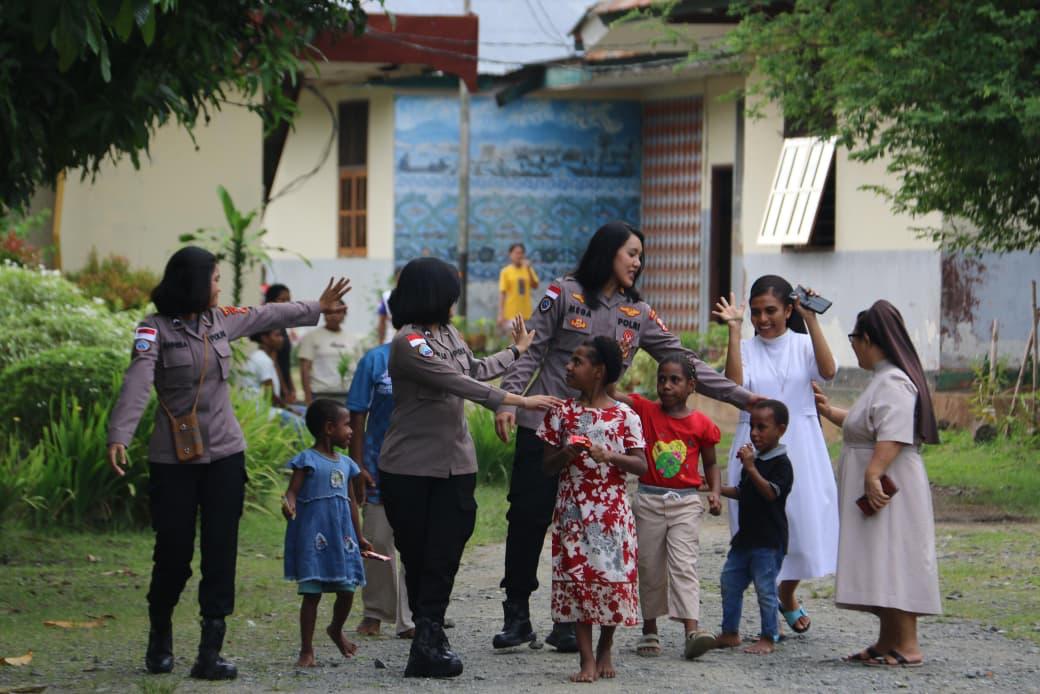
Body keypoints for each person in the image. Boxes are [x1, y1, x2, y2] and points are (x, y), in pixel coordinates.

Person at [493, 221, 755, 653]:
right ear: (608, 251)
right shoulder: (564, 293)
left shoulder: (639, 313)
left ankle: (571, 619)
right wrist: (508, 400)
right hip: (545, 426)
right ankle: (517, 615)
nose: (638, 262)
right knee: (527, 518)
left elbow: (684, 361)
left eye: (640, 256)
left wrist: (745, 398)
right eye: (631, 253)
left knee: (586, 526)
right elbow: (531, 350)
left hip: (602, 439)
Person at [106, 246, 350, 680]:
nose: (219, 287)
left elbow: (267, 314)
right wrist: (120, 433)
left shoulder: (220, 321)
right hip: (173, 460)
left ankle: (210, 650)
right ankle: (160, 635)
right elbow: (138, 379)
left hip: (224, 455)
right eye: (215, 279)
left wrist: (317, 306)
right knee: (173, 553)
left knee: (221, 551)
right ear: (194, 283)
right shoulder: (153, 329)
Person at [377, 257, 562, 678]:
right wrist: (520, 401)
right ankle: (428, 639)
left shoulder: (450, 334)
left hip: (455, 465)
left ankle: (429, 634)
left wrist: (516, 351)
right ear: (431, 294)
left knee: (446, 550)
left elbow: (474, 370)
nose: (455, 301)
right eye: (450, 293)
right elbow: (456, 382)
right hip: (410, 467)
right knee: (419, 554)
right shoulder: (408, 342)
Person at [813, 300, 941, 668]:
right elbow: (865, 425)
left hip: (889, 484)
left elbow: (893, 433)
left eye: (854, 340)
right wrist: (828, 411)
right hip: (882, 481)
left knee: (896, 555)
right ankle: (888, 640)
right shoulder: (884, 380)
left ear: (868, 339)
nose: (853, 347)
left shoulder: (895, 382)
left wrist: (872, 474)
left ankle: (909, 644)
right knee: (880, 557)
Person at [713, 276, 838, 634]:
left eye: (771, 310)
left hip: (802, 445)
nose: (763, 319)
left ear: (788, 310)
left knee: (803, 526)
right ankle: (770, 611)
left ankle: (787, 593)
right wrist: (734, 331)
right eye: (756, 312)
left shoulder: (803, 343)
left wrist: (811, 319)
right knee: (758, 529)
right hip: (753, 444)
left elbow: (828, 372)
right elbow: (733, 388)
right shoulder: (747, 348)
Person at [539, 337, 646, 683]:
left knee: (611, 579)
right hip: (572, 512)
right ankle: (586, 660)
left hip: (611, 513)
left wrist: (609, 455)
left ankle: (605, 647)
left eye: (578, 361)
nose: (568, 366)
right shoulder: (560, 413)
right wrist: (566, 454)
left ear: (598, 371)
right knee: (578, 581)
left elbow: (641, 465)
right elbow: (546, 467)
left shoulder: (625, 415)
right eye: (570, 360)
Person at [608, 356, 722, 660]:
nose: (667, 386)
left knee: (684, 564)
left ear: (691, 386)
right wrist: (616, 358)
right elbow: (611, 393)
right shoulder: (645, 410)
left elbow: (711, 463)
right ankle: (650, 629)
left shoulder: (702, 424)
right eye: (662, 379)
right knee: (649, 565)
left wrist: (715, 492)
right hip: (649, 500)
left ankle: (691, 632)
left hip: (686, 502)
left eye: (675, 380)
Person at [281, 399, 370, 667]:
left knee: (347, 590)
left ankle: (336, 628)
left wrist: (360, 537)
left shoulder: (347, 464)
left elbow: (351, 503)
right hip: (315, 538)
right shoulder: (306, 460)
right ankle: (306, 650)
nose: (352, 431)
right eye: (347, 425)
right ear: (330, 428)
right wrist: (289, 504)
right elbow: (292, 492)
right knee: (312, 594)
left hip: (342, 538)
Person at [347, 341, 415, 639]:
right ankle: (375, 610)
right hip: (378, 465)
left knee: (417, 542)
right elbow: (357, 415)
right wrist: (357, 465)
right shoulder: (375, 360)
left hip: (423, 462)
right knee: (377, 538)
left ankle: (412, 618)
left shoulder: (440, 354)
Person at [717, 400, 794, 655]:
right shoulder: (755, 460)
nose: (754, 433)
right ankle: (730, 632)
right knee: (729, 582)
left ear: (780, 430)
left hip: (769, 541)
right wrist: (715, 488)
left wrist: (750, 467)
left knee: (765, 590)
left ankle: (769, 636)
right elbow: (744, 492)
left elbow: (770, 493)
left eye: (762, 427)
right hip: (746, 538)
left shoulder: (782, 464)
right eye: (752, 426)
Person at [299, 299, 351, 404]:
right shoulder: (311, 337)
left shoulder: (352, 339)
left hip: (347, 395)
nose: (333, 315)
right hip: (320, 395)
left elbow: (358, 369)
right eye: (330, 312)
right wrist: (308, 397)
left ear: (344, 313)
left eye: (338, 311)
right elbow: (304, 368)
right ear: (324, 313)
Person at [264, 284, 298, 404]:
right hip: (277, 386)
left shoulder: (281, 325)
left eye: (288, 300)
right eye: (282, 300)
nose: (286, 304)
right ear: (270, 301)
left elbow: (285, 362)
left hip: (284, 383)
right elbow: (274, 362)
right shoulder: (270, 325)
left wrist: (292, 387)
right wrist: (285, 390)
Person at [498, 243, 540, 328]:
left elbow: (535, 286)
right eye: (516, 253)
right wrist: (501, 314)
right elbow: (503, 294)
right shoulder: (505, 271)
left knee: (527, 336)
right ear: (510, 254)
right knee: (513, 336)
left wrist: (528, 269)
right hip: (511, 314)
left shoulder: (528, 269)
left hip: (527, 314)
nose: (519, 256)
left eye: (521, 253)